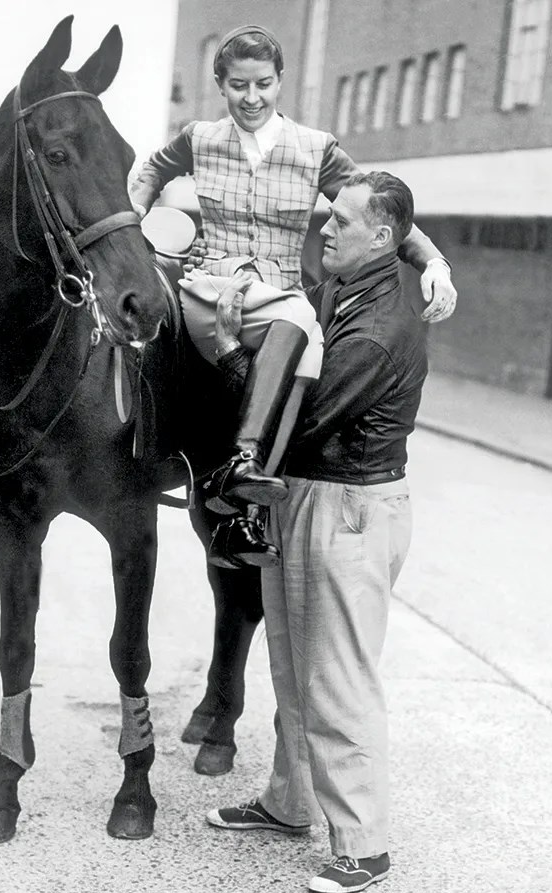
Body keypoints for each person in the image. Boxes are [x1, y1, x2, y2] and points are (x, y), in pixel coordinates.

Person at [130, 24, 456, 559]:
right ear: (221, 85)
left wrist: (434, 262)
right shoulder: (199, 138)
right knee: (154, 321)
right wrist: (133, 218)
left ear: (280, 82)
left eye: (263, 84)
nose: (251, 97)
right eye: (238, 85)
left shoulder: (315, 149)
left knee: (308, 342)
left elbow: (387, 218)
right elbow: (152, 172)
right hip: (211, 287)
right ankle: (142, 452)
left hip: (279, 296)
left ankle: (246, 497)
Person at [205, 171, 430, 893]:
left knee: (337, 679)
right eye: (326, 217)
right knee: (292, 664)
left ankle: (364, 848)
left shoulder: (378, 328)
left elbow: (295, 422)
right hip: (314, 495)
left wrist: (233, 353)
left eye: (340, 220)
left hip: (346, 505)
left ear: (382, 237)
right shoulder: (352, 281)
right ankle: (290, 802)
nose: (324, 229)